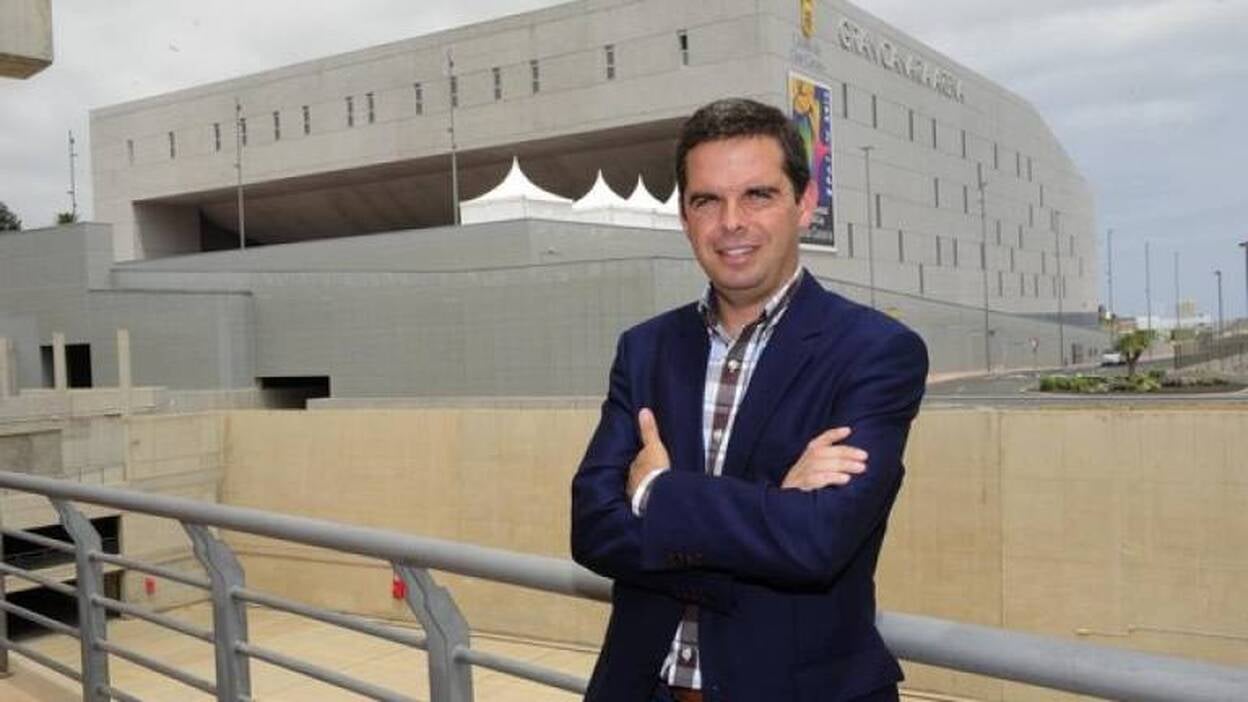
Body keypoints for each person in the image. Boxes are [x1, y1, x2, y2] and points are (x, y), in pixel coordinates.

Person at [571, 98, 928, 702]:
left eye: (758, 195)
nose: (731, 222)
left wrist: (657, 494)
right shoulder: (645, 349)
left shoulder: (875, 352)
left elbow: (817, 541)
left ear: (804, 204)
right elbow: (592, 527)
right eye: (707, 201)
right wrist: (772, 510)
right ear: (685, 218)